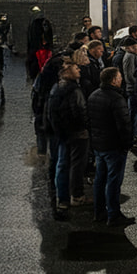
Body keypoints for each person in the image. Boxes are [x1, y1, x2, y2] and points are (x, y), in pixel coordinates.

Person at [87, 67, 135, 226]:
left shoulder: (94, 95)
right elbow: (124, 125)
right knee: (114, 181)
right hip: (114, 146)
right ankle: (113, 214)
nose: (121, 79)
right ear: (113, 80)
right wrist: (128, 144)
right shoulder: (116, 99)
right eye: (119, 77)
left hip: (99, 144)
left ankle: (99, 211)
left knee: (100, 179)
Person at [46, 59, 89, 219]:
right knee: (77, 165)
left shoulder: (56, 88)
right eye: (75, 68)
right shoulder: (74, 90)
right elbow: (80, 111)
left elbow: (50, 112)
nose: (79, 70)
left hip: (62, 133)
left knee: (62, 164)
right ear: (67, 72)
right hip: (77, 133)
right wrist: (85, 127)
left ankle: (62, 198)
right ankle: (77, 196)